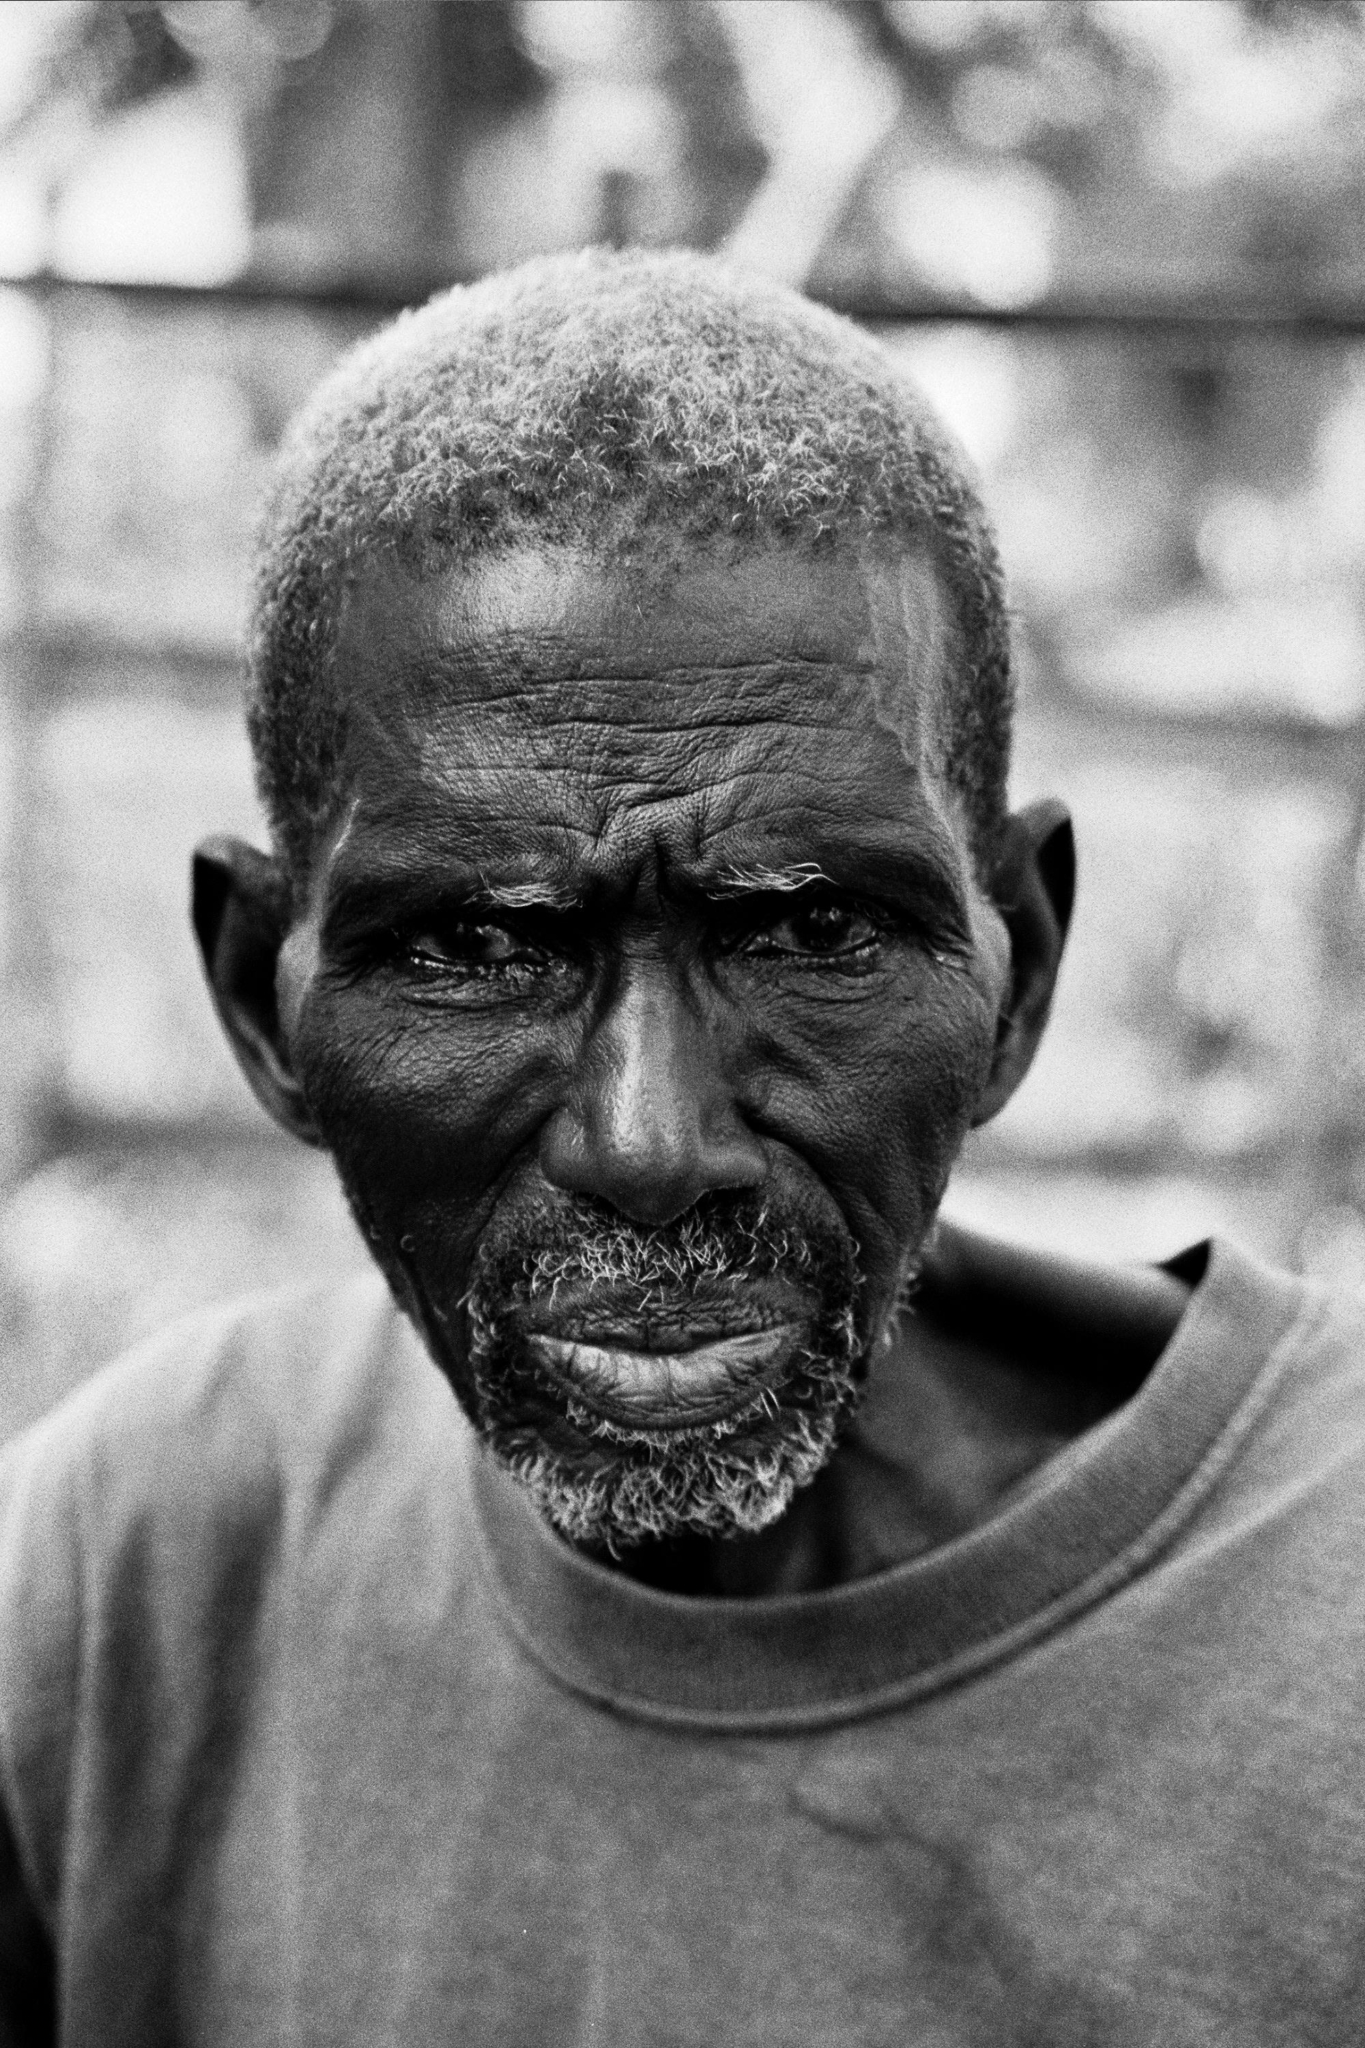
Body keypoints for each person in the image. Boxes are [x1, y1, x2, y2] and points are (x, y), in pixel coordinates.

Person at [2, 247, 1363, 2047]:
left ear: (1016, 962)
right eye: (481, 947)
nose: (649, 1145)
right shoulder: (143, 1571)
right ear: (263, 997)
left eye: (807, 931)